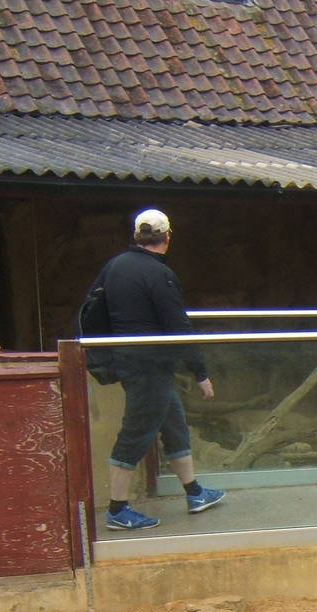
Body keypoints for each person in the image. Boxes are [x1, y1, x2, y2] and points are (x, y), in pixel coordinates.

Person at [95, 208, 224, 531]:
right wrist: (200, 372)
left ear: (137, 236)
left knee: (174, 424)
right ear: (167, 237)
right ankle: (117, 509)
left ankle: (194, 492)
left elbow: (93, 311)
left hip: (130, 359)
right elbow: (178, 325)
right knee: (136, 433)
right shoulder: (159, 274)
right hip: (148, 365)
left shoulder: (114, 267)